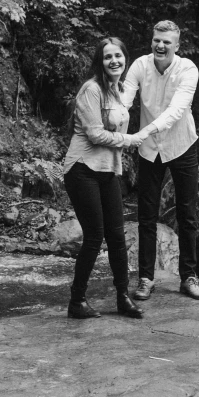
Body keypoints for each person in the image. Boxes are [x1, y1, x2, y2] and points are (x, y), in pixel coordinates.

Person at [63, 37, 149, 320]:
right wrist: (130, 139)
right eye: (108, 57)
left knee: (117, 236)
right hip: (82, 169)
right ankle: (77, 301)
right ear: (100, 62)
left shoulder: (118, 90)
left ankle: (123, 297)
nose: (114, 61)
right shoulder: (91, 89)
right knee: (94, 236)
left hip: (108, 171)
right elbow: (95, 133)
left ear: (125, 59)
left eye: (119, 56)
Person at [123, 20, 199, 301]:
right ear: (152, 41)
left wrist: (142, 131)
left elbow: (176, 110)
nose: (160, 45)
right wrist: (116, 125)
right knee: (146, 215)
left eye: (166, 42)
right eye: (157, 40)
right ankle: (145, 278)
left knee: (187, 213)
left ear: (177, 46)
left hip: (182, 145)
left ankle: (189, 277)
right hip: (149, 150)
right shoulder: (139, 66)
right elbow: (125, 99)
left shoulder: (188, 70)